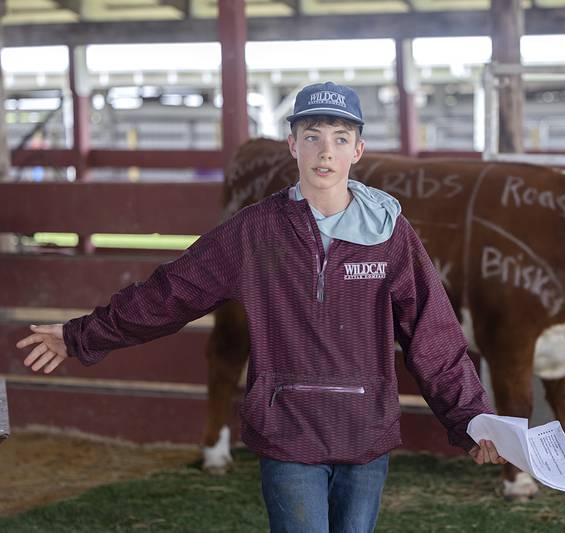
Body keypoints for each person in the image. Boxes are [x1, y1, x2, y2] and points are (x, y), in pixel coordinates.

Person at [17, 81, 505, 533]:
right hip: (288, 429)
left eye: (339, 138)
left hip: (365, 432)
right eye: (312, 136)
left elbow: (432, 334)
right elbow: (169, 293)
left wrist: (471, 419)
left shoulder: (390, 234)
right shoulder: (254, 231)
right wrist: (80, 336)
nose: (325, 151)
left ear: (357, 151)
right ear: (292, 146)